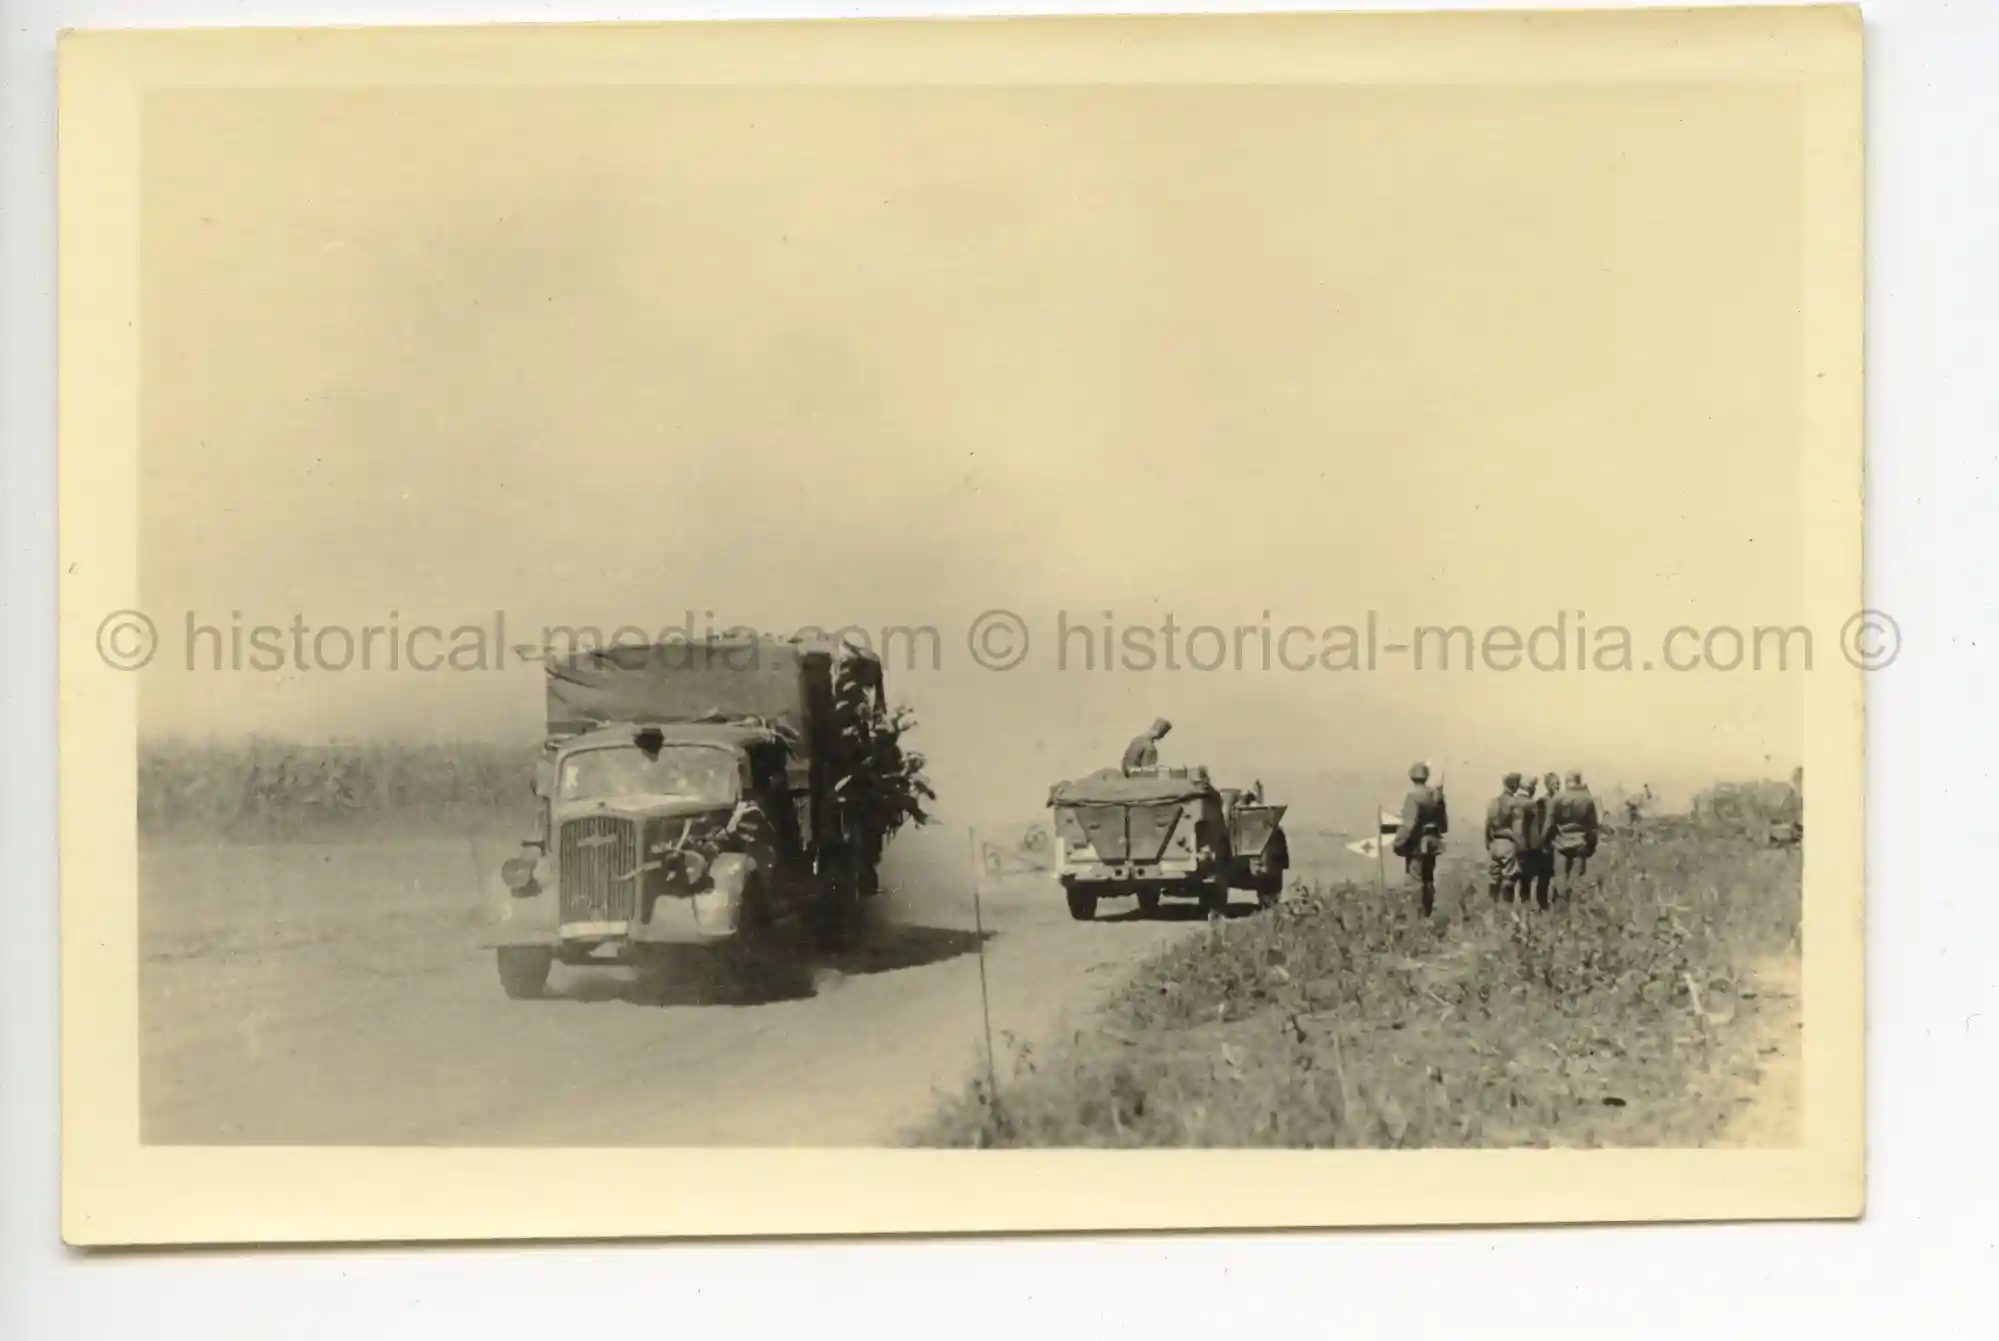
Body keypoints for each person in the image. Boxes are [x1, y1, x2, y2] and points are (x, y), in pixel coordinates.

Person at [1392, 761, 1449, 916]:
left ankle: (1416, 918)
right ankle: (1427, 913)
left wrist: (1398, 842)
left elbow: (1408, 824)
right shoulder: (1436, 795)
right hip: (1432, 842)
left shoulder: (1413, 796)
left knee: (1414, 881)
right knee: (1428, 879)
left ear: (1412, 777)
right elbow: (1443, 825)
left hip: (1417, 844)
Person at [1548, 771, 1600, 898]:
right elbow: (1593, 827)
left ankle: (1558, 907)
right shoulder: (1587, 799)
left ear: (1567, 782)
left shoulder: (1557, 798)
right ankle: (1574, 909)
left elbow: (1549, 824)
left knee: (1560, 879)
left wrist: (1547, 842)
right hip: (1581, 843)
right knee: (1577, 879)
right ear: (1579, 781)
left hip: (1560, 844)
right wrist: (1591, 846)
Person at [1484, 773, 1525, 903]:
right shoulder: (1514, 804)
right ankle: (1507, 910)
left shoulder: (1493, 802)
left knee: (1494, 877)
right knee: (1509, 877)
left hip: (1495, 842)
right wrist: (1521, 846)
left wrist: (1488, 843)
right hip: (1508, 843)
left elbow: (1488, 824)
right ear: (1514, 785)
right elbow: (1518, 829)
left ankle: (1493, 907)